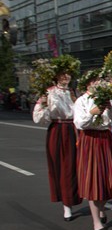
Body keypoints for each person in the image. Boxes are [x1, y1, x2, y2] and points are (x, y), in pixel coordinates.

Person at [73, 69, 112, 230]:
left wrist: (111, 107)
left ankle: (101, 208)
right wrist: (92, 113)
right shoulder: (82, 100)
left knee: (107, 178)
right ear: (88, 83)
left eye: (99, 80)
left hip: (105, 138)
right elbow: (79, 123)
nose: (97, 83)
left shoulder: (106, 98)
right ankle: (96, 221)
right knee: (93, 179)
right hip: (90, 140)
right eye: (94, 80)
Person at [32, 57, 82, 221]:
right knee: (61, 167)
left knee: (74, 167)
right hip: (58, 130)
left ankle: (74, 198)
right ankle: (66, 205)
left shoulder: (74, 92)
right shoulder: (49, 92)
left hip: (73, 129)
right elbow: (38, 118)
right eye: (63, 73)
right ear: (56, 75)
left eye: (68, 73)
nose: (66, 76)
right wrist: (45, 105)